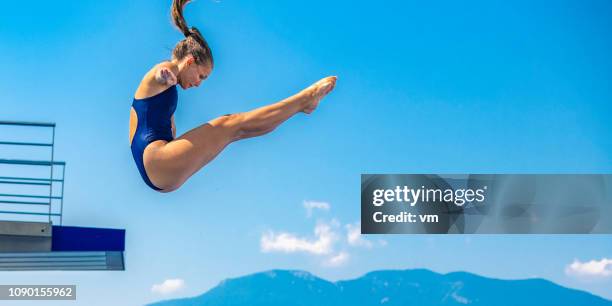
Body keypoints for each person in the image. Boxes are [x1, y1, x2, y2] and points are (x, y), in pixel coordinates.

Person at [129, 0, 337, 192]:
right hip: (156, 162)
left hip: (157, 165)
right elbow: (159, 74)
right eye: (201, 75)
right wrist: (164, 76)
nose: (199, 83)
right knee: (232, 125)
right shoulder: (167, 70)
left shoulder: (168, 90)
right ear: (190, 61)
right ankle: (304, 101)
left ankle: (302, 103)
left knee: (234, 128)